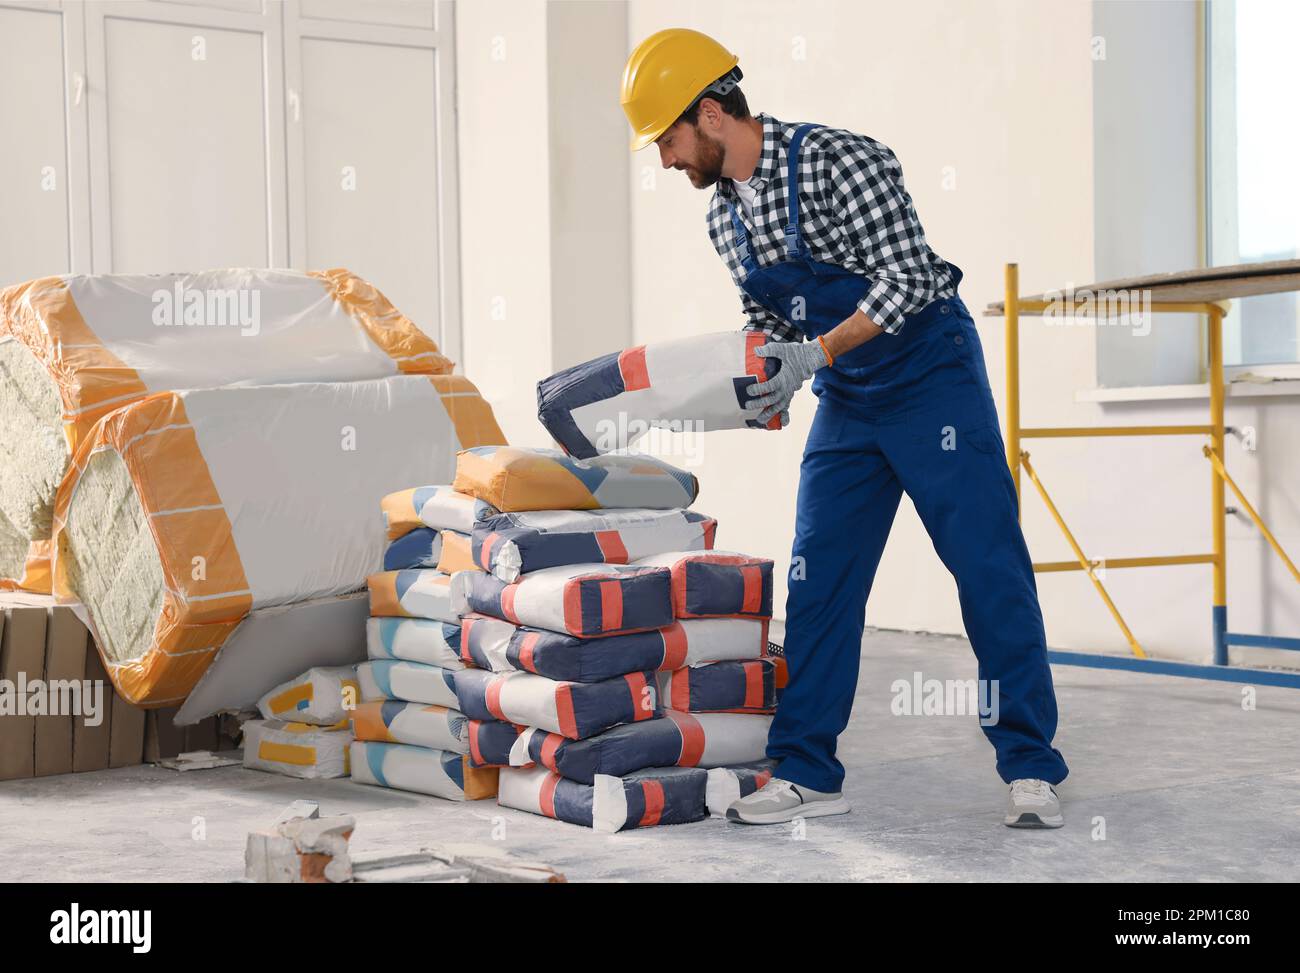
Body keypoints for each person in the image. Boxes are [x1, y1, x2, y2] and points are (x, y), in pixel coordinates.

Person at [620, 28, 1068, 828]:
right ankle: (808, 770)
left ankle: (1030, 764)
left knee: (986, 566)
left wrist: (813, 353)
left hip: (933, 382)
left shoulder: (838, 161)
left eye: (669, 139)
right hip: (851, 399)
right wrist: (766, 387)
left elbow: (909, 276)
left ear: (713, 115)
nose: (666, 161)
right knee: (818, 578)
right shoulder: (725, 218)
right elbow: (766, 317)